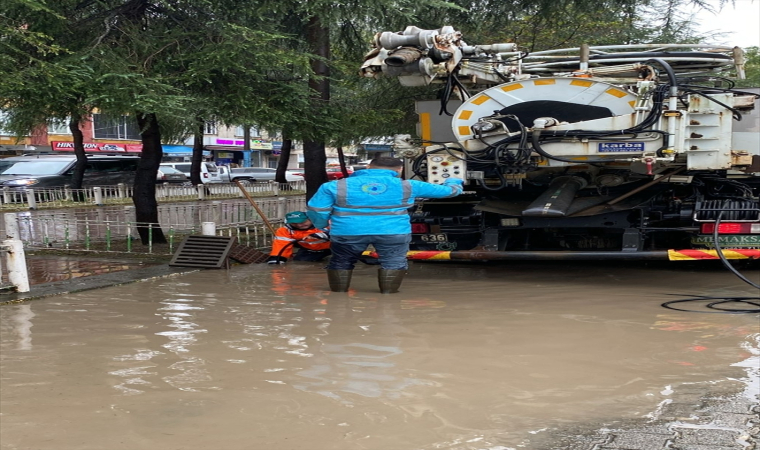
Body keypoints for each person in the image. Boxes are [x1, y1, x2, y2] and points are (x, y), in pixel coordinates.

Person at [306, 157, 464, 293]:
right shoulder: (410, 185)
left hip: (347, 231)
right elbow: (450, 192)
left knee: (341, 260)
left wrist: (322, 226)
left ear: (368, 167)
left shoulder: (334, 186)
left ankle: (339, 297)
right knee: (393, 261)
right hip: (393, 231)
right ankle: (388, 299)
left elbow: (316, 210)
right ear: (399, 170)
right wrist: (454, 180)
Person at [267, 211, 331, 264]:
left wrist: (325, 235)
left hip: (335, 247)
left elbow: (340, 231)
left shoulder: (324, 223)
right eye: (294, 223)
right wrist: (276, 259)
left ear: (310, 219)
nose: (299, 225)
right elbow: (281, 245)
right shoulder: (285, 231)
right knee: (300, 262)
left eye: (302, 222)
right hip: (311, 250)